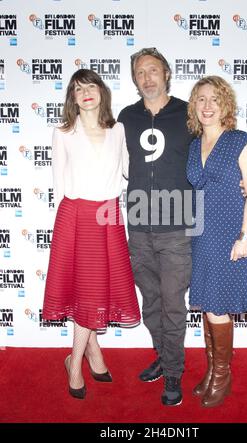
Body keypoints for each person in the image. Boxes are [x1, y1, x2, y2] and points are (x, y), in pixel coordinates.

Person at [42, 69, 141, 399]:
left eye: (91, 86)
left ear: (102, 91)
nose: (85, 92)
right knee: (89, 290)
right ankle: (76, 364)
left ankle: (89, 354)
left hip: (110, 215)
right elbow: (58, 186)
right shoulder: (64, 132)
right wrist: (69, 223)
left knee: (94, 290)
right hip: (77, 215)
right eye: (78, 88)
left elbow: (131, 171)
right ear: (72, 97)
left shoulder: (119, 130)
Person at [118, 48, 194, 406]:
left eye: (153, 70)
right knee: (150, 301)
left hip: (177, 228)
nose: (147, 77)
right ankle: (163, 357)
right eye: (140, 73)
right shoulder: (127, 117)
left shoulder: (186, 113)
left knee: (173, 305)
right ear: (135, 80)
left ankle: (175, 371)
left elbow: (211, 149)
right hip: (138, 225)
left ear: (166, 73)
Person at [186, 75, 247, 408]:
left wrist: (245, 236)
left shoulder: (240, 141)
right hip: (201, 235)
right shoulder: (193, 145)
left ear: (225, 104)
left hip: (230, 233)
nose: (207, 106)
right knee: (207, 305)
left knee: (218, 307)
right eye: (201, 99)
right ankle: (213, 370)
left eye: (214, 99)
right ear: (194, 105)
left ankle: (222, 376)